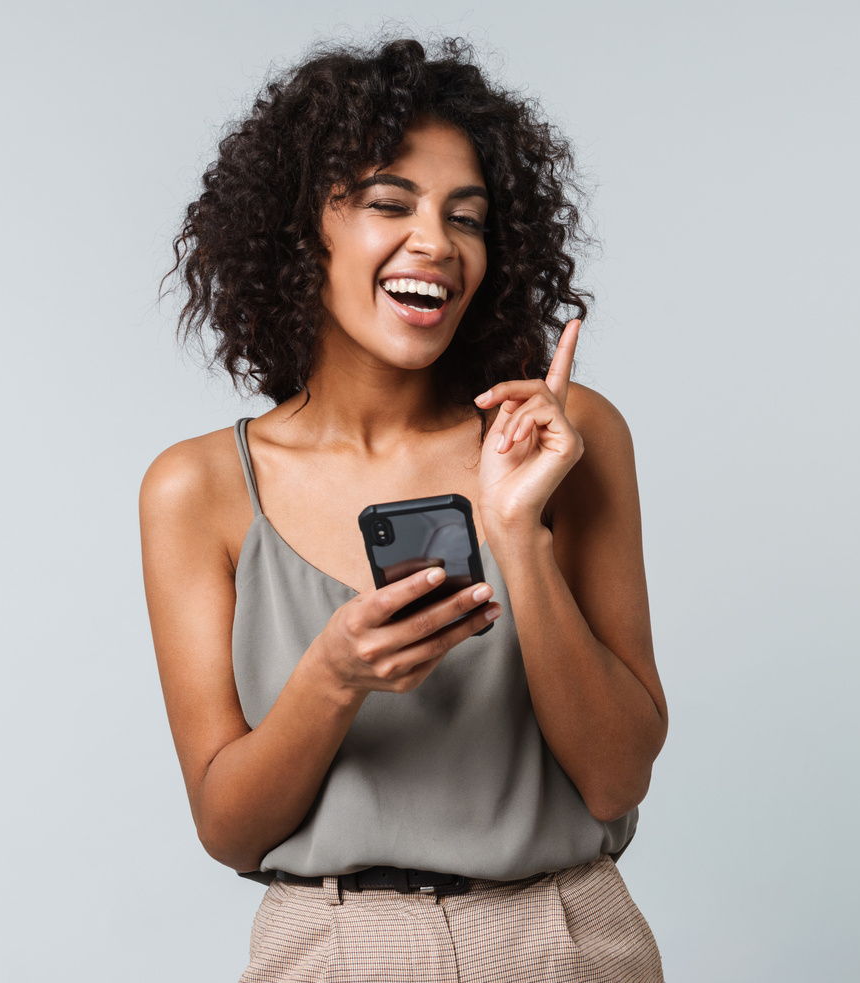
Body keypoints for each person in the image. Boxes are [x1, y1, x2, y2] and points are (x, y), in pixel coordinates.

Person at [139, 36, 668, 982]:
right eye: (391, 202)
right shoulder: (200, 488)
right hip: (335, 949)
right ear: (306, 228)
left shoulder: (561, 436)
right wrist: (333, 677)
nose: (436, 240)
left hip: (564, 936)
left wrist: (518, 535)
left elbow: (617, 775)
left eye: (466, 217)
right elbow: (228, 828)